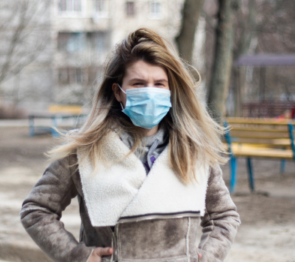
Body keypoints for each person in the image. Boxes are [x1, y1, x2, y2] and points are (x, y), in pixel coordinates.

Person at [20, 28, 240, 262]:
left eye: (159, 83)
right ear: (118, 91)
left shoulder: (193, 149)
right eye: (138, 83)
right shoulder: (86, 149)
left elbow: (224, 216)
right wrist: (77, 255)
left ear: (171, 90)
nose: (150, 92)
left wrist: (208, 257)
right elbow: (37, 210)